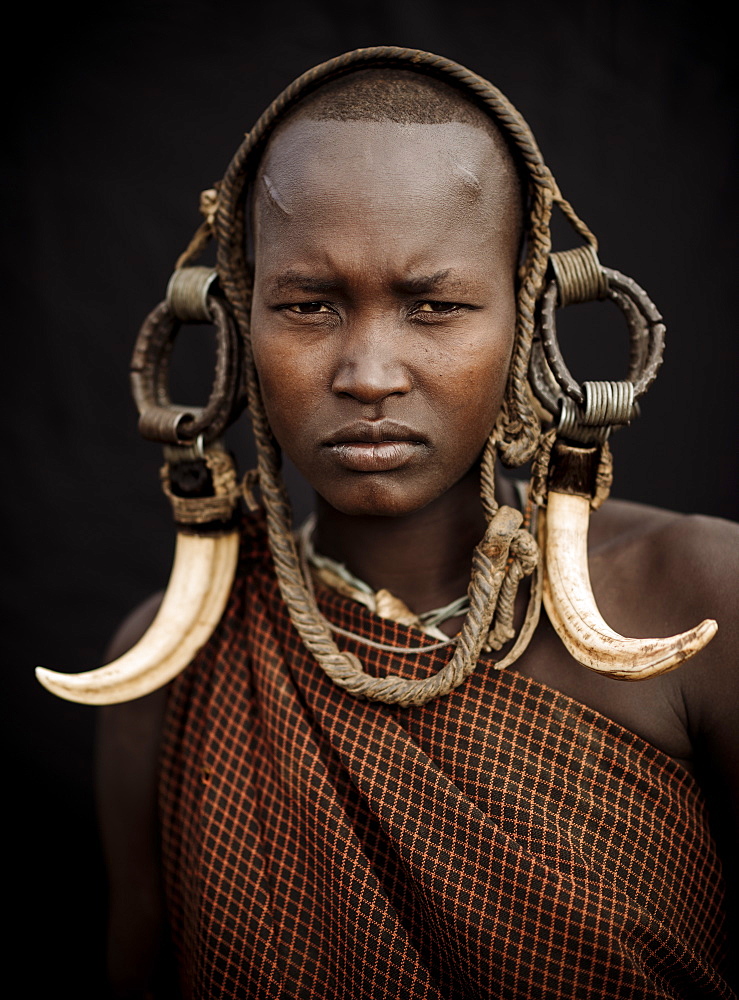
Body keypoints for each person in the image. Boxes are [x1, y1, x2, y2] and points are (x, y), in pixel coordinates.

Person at [53, 48, 738, 997]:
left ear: (531, 318)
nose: (368, 374)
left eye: (436, 306)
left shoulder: (700, 603)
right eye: (308, 305)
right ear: (234, 321)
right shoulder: (171, 672)